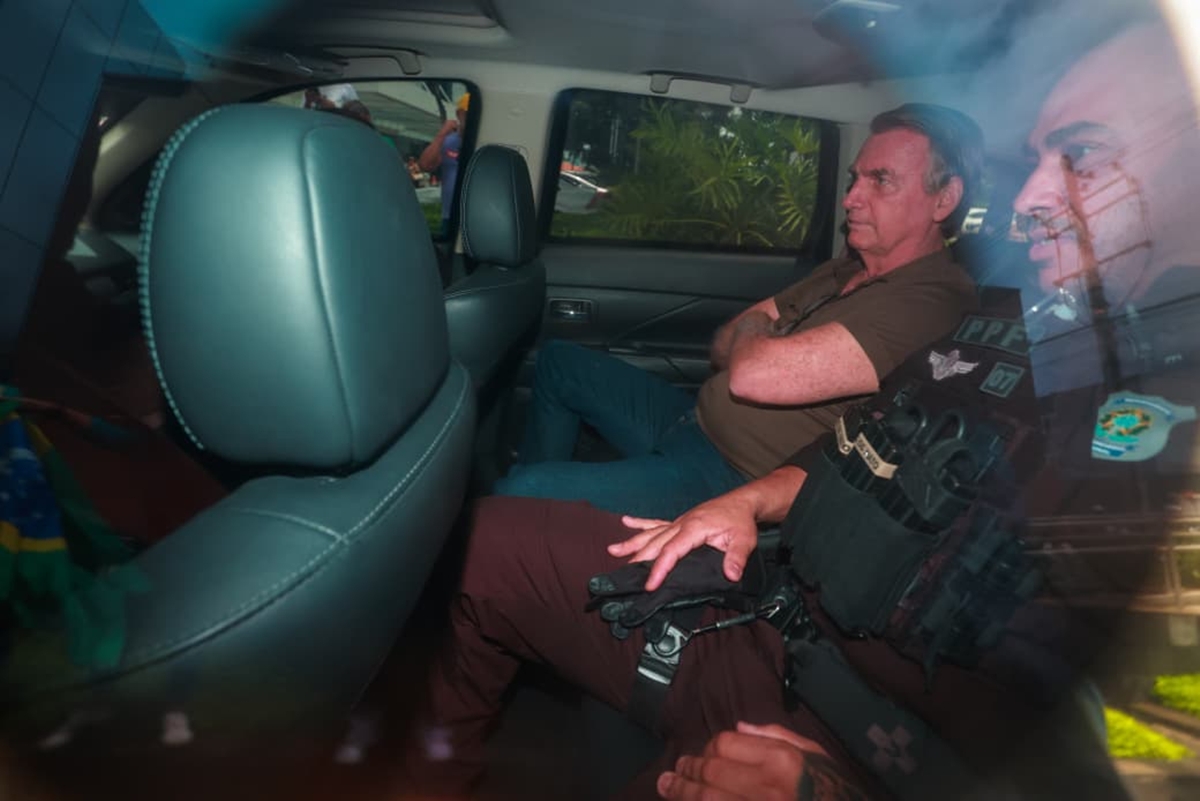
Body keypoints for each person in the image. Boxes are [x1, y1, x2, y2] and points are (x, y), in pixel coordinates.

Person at [402, 22, 1200, 801]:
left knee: (522, 498)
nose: (1028, 197)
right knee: (499, 514)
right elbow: (853, 433)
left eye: (1083, 154)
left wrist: (838, 786)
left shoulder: (991, 327)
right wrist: (750, 502)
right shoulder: (999, 324)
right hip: (777, 608)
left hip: (848, 720)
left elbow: (1152, 747)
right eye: (1036, 160)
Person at [494, 103, 982, 520]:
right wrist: (756, 338)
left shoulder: (934, 299)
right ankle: (537, 525)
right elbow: (723, 344)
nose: (851, 198)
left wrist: (759, 333)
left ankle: (525, 514)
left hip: (729, 474)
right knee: (558, 362)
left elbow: (749, 374)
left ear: (944, 199)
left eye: (882, 181)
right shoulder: (843, 269)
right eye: (856, 178)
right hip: (691, 420)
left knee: (520, 492)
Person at [419, 92, 470, 235]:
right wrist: (442, 134)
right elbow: (425, 165)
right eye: (467, 114)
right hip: (450, 215)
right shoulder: (448, 141)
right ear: (459, 114)